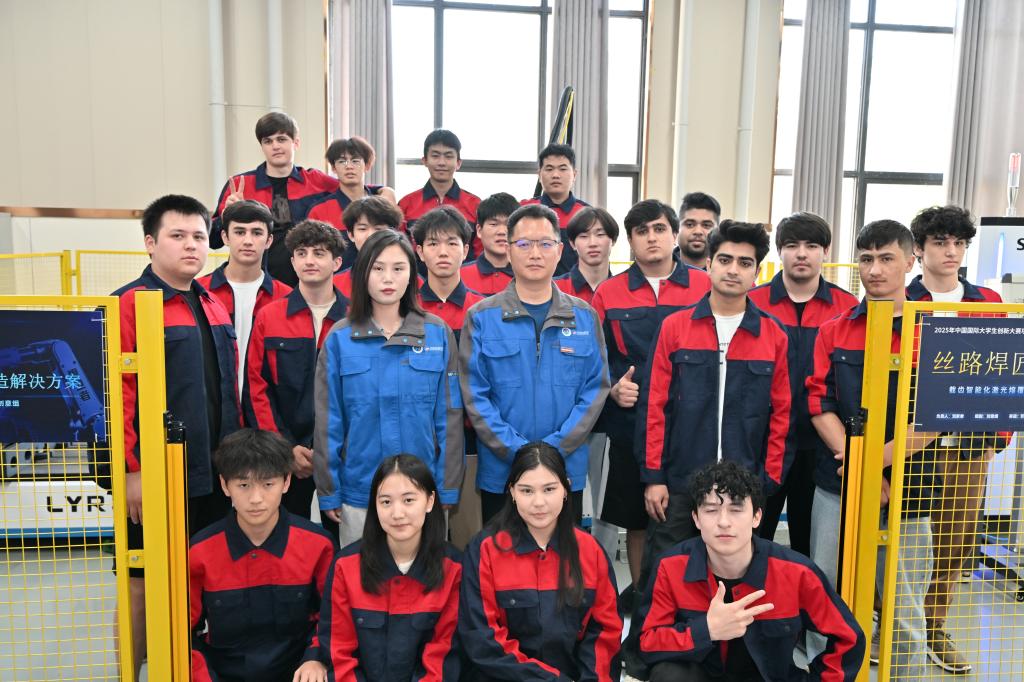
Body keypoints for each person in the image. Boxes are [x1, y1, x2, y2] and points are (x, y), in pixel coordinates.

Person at [626, 220, 794, 679]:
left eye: (745, 263)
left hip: (744, 483)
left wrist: (766, 483)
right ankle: (641, 658)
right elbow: (654, 406)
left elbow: (783, 415)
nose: (733, 270)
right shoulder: (675, 327)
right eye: (725, 260)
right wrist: (654, 477)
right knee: (662, 567)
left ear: (757, 272)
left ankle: (733, 657)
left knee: (739, 572)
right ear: (708, 264)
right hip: (680, 480)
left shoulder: (773, 335)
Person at [112, 194, 242, 679]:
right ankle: (131, 673)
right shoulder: (128, 304)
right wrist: (132, 473)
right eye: (178, 236)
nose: (192, 245)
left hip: (212, 472)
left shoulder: (211, 302)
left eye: (199, 236)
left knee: (199, 575)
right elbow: (119, 397)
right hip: (156, 476)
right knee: (142, 580)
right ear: (150, 243)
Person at [807, 219, 938, 678]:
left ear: (910, 261)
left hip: (910, 492)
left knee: (904, 605)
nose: (875, 269)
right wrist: (860, 469)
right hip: (836, 488)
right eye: (866, 259)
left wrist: (872, 467)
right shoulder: (834, 330)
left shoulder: (933, 332)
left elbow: (933, 418)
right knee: (825, 592)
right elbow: (818, 404)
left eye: (886, 258)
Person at [636, 461, 865, 681]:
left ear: (756, 517)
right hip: (699, 675)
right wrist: (707, 630)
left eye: (736, 509)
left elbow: (849, 638)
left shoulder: (798, 573)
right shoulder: (671, 567)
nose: (724, 522)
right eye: (711, 510)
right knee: (669, 675)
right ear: (696, 519)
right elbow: (646, 643)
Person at [591, 199, 711, 608]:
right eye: (641, 231)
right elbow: (595, 358)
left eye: (659, 229)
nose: (651, 238)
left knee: (698, 513)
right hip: (632, 426)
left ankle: (692, 603)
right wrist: (611, 389)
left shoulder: (704, 285)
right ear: (630, 240)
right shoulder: (609, 293)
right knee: (639, 518)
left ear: (674, 235)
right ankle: (646, 603)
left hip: (694, 425)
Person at [459, 204, 610, 524]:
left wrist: (553, 451)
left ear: (560, 251)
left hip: (564, 470)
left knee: (562, 554)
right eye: (524, 244)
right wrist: (519, 453)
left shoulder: (584, 317)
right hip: (503, 472)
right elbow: (475, 396)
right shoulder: (482, 317)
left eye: (545, 243)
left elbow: (595, 391)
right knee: (500, 552)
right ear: (508, 250)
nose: (535, 253)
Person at [314, 230, 464, 546]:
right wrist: (329, 490)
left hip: (423, 490)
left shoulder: (437, 334)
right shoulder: (340, 339)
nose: (388, 278)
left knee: (425, 572)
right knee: (362, 573)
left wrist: (446, 486)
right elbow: (328, 422)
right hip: (360, 490)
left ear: (411, 275)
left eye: (398, 268)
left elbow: (450, 420)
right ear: (362, 274)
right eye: (378, 268)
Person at [907, 205, 1006, 674]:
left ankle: (934, 628)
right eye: (940, 242)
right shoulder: (901, 299)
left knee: (954, 541)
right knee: (905, 540)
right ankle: (895, 622)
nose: (951, 251)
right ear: (919, 248)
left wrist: (995, 439)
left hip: (969, 444)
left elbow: (1007, 371)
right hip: (910, 444)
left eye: (959, 243)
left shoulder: (988, 301)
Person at [459, 443, 622, 681]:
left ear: (566, 488)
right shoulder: (484, 550)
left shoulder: (590, 551)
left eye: (549, 489)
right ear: (512, 492)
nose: (538, 502)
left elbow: (605, 633)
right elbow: (482, 638)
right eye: (526, 491)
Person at [748, 212, 857, 555]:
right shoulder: (752, 303)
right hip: (762, 443)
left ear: (825, 251)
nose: (801, 254)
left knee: (812, 544)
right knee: (752, 536)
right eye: (792, 245)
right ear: (779, 251)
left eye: (811, 246)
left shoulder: (847, 307)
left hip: (822, 446)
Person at [189, 428, 336, 682]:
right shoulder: (200, 552)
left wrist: (315, 657)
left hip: (299, 673)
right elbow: (183, 632)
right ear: (224, 485)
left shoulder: (319, 546)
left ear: (286, 482)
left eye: (268, 484)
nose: (256, 498)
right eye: (243, 485)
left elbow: (333, 618)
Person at [318, 454, 462, 681]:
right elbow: (339, 652)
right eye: (386, 502)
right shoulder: (346, 566)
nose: (397, 514)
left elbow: (444, 656)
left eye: (408, 500)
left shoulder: (454, 568)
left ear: (430, 501)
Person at [245, 220, 349, 521]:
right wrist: (285, 448)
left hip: (344, 457)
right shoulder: (269, 317)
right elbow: (256, 387)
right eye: (301, 253)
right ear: (292, 262)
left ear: (337, 262)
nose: (309, 260)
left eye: (319, 253)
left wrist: (337, 451)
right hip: (286, 457)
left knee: (345, 538)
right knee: (290, 536)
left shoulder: (355, 319)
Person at [211, 112, 338, 285]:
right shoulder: (240, 185)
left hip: (307, 283)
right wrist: (227, 216)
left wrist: (378, 192)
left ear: (296, 143)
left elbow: (354, 191)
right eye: (268, 141)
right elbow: (213, 240)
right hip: (255, 284)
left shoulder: (316, 181)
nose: (275, 146)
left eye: (281, 139)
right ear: (262, 146)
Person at [197, 199, 292, 397]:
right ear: (225, 237)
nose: (248, 241)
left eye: (256, 233)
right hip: (214, 407)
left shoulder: (287, 298)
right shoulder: (199, 293)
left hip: (263, 408)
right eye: (240, 232)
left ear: (269, 241)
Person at [306, 136, 397, 269]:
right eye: (342, 161)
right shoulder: (319, 211)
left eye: (355, 161)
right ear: (334, 168)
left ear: (367, 165)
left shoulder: (384, 204)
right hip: (337, 280)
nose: (349, 166)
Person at [398, 129, 481, 255]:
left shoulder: (474, 204)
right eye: (435, 156)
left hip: (463, 268)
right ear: (425, 161)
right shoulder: (406, 204)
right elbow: (400, 250)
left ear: (458, 163)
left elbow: (480, 252)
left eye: (448, 156)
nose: (441, 163)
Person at [413, 206, 484, 343]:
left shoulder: (482, 309)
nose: (443, 253)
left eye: (451, 243)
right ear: (420, 252)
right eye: (433, 244)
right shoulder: (407, 308)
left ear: (465, 251)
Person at [521, 143, 590, 275]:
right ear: (539, 174)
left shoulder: (586, 214)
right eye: (549, 169)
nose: (556, 175)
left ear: (574, 174)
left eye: (563, 169)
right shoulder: (523, 211)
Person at [331, 196, 405, 297]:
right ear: (351, 235)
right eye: (362, 229)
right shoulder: (334, 285)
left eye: (378, 229)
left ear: (392, 233)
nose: (370, 235)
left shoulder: (412, 281)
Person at [553, 206, 617, 304]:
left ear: (613, 240)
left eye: (600, 235)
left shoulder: (624, 291)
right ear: (572, 243)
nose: (592, 243)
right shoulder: (553, 289)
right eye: (583, 236)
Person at [460, 192, 518, 295]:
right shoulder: (458, 276)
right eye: (494, 224)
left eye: (508, 224)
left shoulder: (530, 276)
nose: (502, 231)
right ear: (479, 230)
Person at [676, 192, 721, 269]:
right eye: (690, 224)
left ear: (718, 231)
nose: (698, 231)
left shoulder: (727, 272)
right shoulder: (659, 268)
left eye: (706, 225)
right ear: (677, 228)